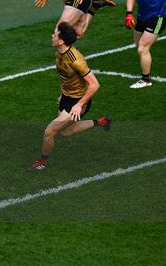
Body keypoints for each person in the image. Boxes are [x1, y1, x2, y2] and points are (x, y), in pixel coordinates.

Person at [30, 23, 112, 171]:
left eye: (55, 34)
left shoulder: (76, 60)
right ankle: (102, 122)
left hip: (78, 102)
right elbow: (66, 77)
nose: (52, 36)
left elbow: (94, 84)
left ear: (61, 41)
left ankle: (42, 162)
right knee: (66, 131)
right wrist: (62, 94)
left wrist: (79, 105)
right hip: (67, 98)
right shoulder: (59, 53)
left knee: (49, 132)